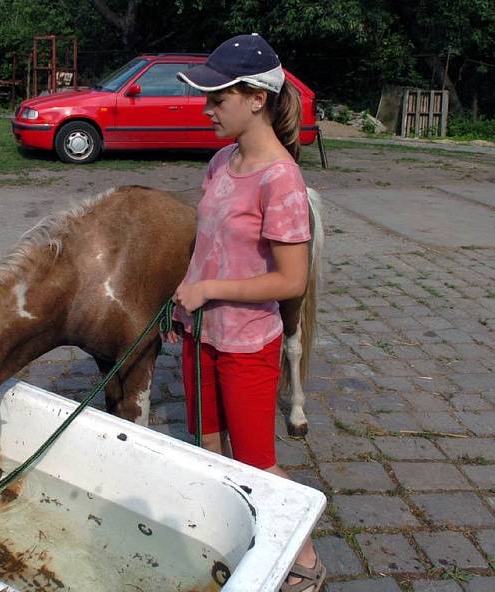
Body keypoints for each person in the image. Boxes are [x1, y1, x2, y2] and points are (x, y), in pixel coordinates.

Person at [164, 34, 325, 592]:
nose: (206, 109)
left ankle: (304, 557)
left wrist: (208, 289)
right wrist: (185, 296)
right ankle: (227, 538)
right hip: (198, 333)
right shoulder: (219, 161)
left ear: (256, 98)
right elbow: (205, 246)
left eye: (217, 98)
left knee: (257, 463)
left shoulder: (281, 181)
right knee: (208, 446)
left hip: (246, 344)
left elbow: (291, 279)